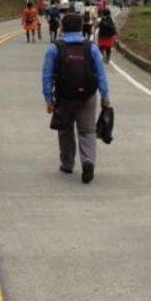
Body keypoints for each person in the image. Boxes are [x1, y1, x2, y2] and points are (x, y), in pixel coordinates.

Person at [42, 13, 111, 184]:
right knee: (87, 131)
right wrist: (105, 96)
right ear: (81, 27)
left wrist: (49, 99)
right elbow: (101, 74)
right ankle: (88, 162)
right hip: (87, 95)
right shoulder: (91, 48)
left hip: (64, 96)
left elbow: (47, 75)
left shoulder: (54, 48)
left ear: (62, 28)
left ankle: (67, 163)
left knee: (65, 129)